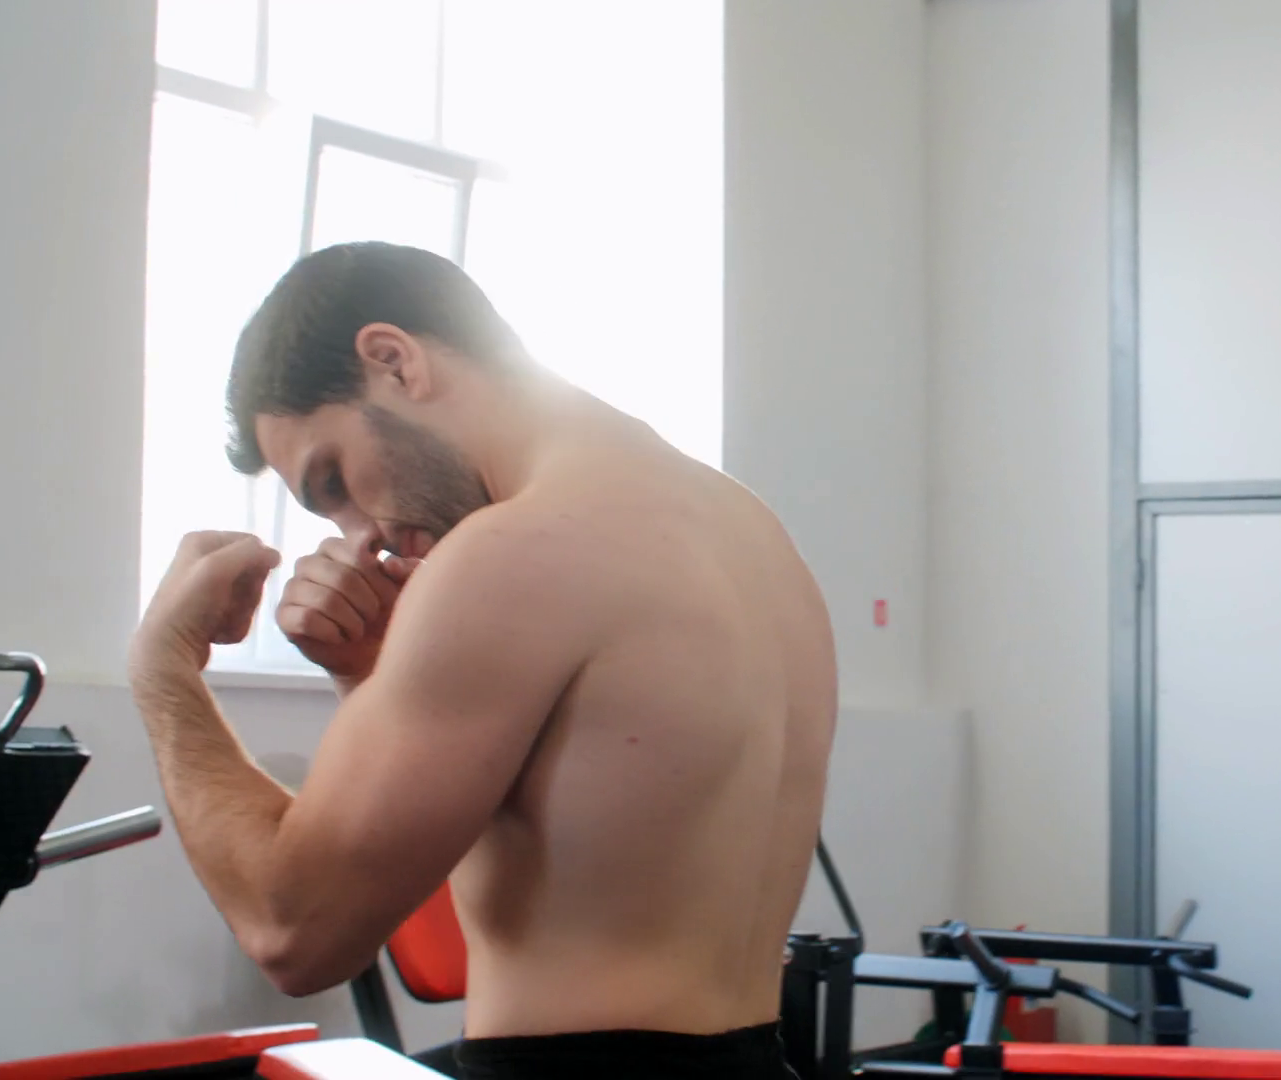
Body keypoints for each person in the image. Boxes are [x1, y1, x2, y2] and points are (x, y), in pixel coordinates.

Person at [128, 241, 838, 1080]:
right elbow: (542, 846)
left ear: (393, 360)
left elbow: (294, 931)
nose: (361, 534)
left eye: (334, 480)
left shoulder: (511, 552)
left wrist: (164, 669)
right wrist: (368, 674)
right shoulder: (753, 532)